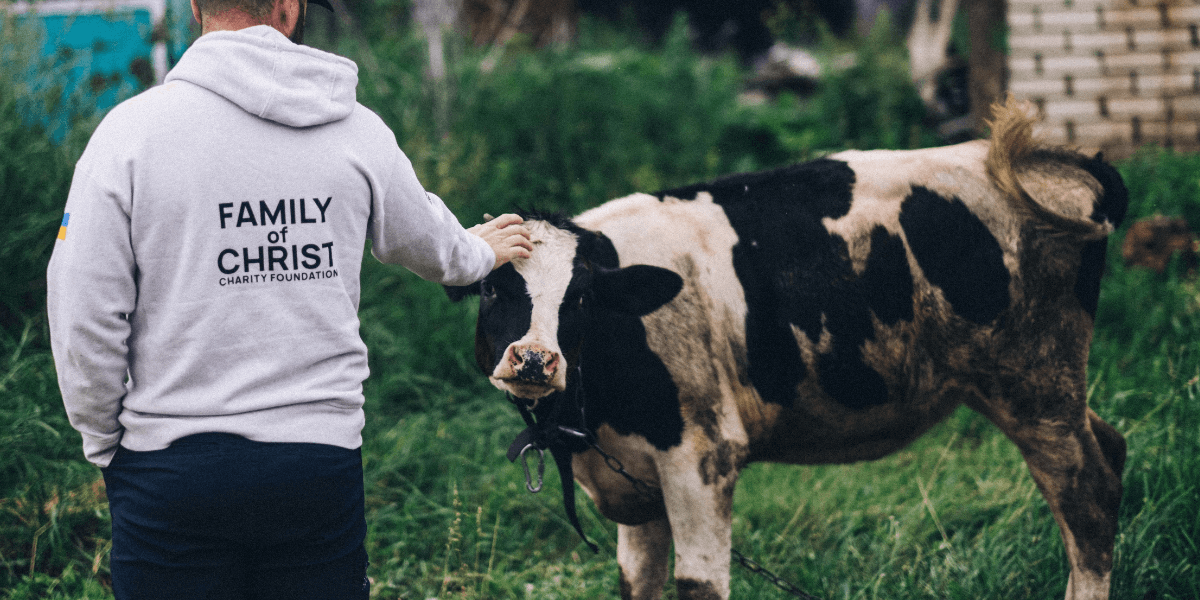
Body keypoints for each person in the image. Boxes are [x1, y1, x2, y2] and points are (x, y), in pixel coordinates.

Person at [45, 0, 532, 596]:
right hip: (313, 464)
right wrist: (478, 251)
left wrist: (104, 443)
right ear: (288, 8)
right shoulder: (354, 126)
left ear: (196, 7)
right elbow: (431, 246)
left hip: (169, 469)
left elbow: (83, 310)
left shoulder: (130, 133)